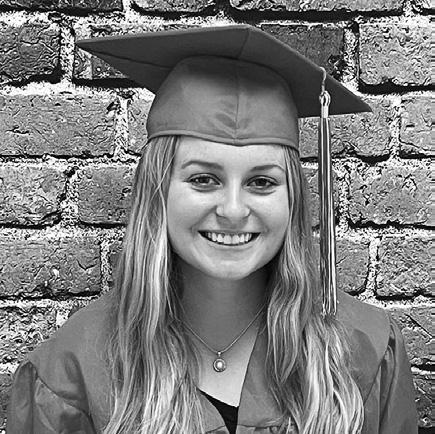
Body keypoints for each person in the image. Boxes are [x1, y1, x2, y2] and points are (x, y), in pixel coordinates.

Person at [6, 25, 418, 434]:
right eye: (203, 179)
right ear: (158, 191)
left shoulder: (365, 351)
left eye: (262, 182)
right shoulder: (72, 374)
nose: (234, 210)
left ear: (293, 198)